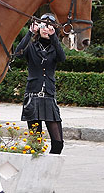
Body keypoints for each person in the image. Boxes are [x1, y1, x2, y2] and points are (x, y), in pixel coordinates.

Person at [15, 13, 66, 154]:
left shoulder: (55, 48)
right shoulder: (31, 47)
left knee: (58, 143)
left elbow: (62, 58)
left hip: (49, 97)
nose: (46, 29)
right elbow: (18, 53)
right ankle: (37, 173)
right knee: (35, 144)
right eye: (43, 25)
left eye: (49, 26)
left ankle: (47, 170)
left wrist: (54, 36)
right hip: (33, 97)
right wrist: (30, 33)